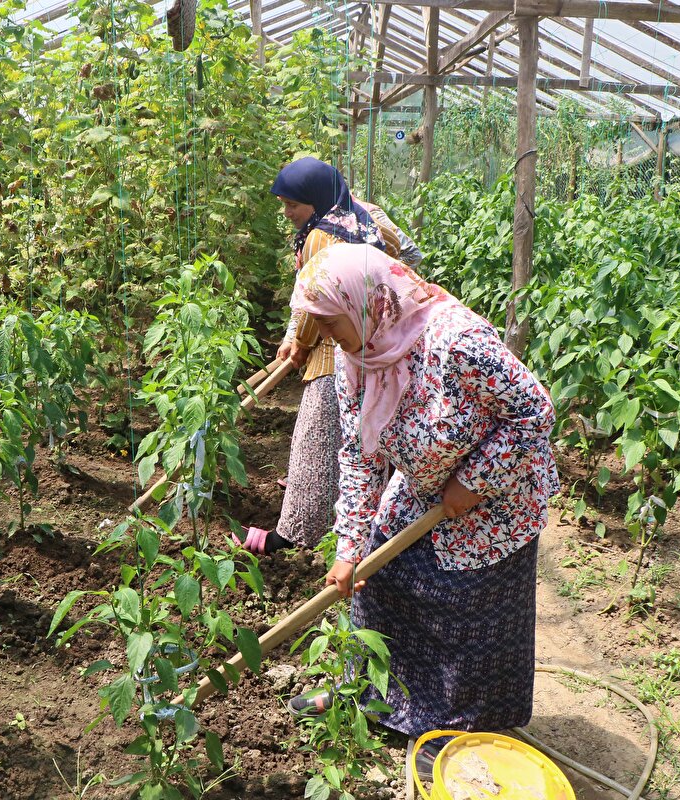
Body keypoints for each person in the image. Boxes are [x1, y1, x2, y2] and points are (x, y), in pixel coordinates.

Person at [285, 242, 559, 771]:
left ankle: (457, 727)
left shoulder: (456, 341)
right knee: (379, 577)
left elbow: (533, 412)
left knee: (465, 610)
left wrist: (476, 482)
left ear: (369, 301)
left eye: (331, 322)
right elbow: (358, 456)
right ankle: (366, 696)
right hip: (424, 486)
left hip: (498, 496)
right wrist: (349, 547)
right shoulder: (357, 358)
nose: (328, 338)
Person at [235, 157, 420, 556]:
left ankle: (295, 533)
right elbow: (410, 255)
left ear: (314, 200)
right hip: (378, 344)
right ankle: (369, 526)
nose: (287, 214)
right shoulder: (361, 212)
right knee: (367, 438)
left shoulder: (320, 236)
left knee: (315, 441)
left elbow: (314, 300)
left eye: (292, 205)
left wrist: (300, 342)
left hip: (334, 351)